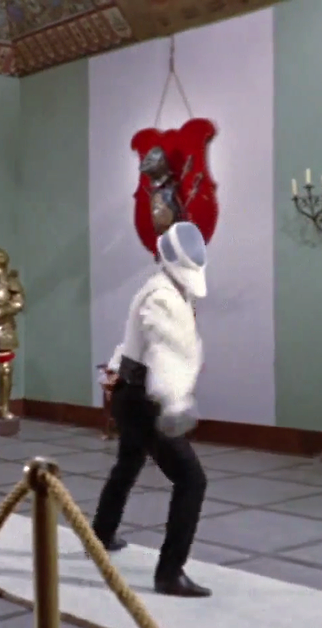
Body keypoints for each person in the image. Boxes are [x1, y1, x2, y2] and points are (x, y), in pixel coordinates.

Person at [91, 221, 212, 598]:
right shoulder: (163, 296)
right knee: (192, 480)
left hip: (132, 394)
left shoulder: (162, 288)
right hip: (147, 399)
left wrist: (116, 368)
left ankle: (100, 535)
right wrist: (173, 401)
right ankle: (169, 573)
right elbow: (162, 350)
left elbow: (134, 339)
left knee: (128, 462)